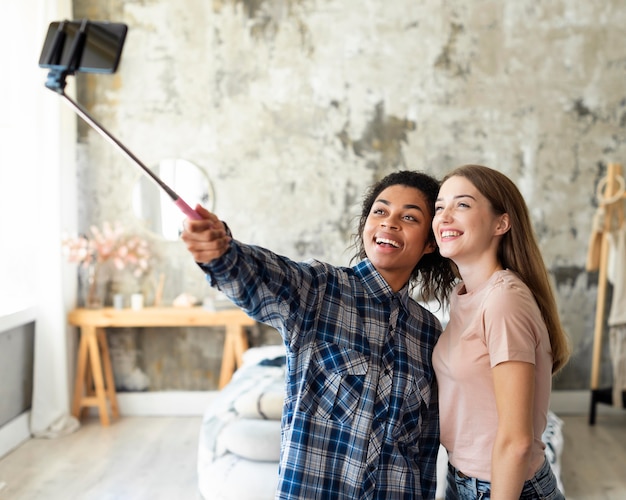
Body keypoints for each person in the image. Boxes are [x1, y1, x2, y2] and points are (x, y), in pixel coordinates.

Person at [181, 170, 456, 499]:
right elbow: (259, 274)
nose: (389, 222)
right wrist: (221, 250)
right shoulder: (320, 290)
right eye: (379, 211)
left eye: (409, 217)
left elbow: (424, 449)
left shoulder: (428, 331)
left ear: (429, 241)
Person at [431, 164, 570, 500]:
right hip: (462, 478)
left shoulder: (503, 300)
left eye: (462, 205)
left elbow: (517, 441)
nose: (444, 216)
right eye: (439, 207)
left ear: (501, 223)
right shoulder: (464, 293)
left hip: (504, 487)